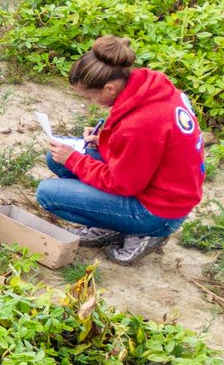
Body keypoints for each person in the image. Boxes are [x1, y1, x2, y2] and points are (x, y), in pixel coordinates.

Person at [37, 36, 206, 265]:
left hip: (159, 210)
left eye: (89, 96)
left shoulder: (140, 125)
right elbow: (147, 149)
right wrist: (105, 140)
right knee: (57, 159)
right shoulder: (151, 86)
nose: (89, 102)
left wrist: (75, 160)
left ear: (109, 88)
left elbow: (123, 184)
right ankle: (112, 221)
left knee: (48, 193)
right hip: (167, 186)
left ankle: (143, 231)